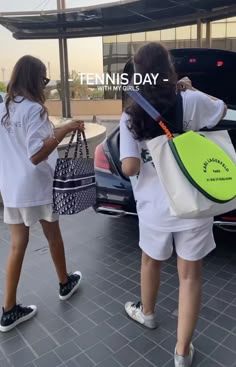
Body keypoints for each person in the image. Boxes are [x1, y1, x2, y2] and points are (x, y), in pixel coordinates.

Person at [120, 43, 227, 367]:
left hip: (155, 207)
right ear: (169, 71)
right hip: (193, 202)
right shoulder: (190, 100)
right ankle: (182, 351)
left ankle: (147, 313)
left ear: (140, 74)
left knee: (150, 261)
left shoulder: (131, 111)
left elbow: (129, 167)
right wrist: (193, 89)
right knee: (190, 275)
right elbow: (220, 109)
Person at [0, 55, 85, 332]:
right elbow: (36, 154)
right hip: (37, 186)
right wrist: (63, 131)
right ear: (34, 79)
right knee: (53, 237)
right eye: (44, 79)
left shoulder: (4, 105)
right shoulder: (34, 110)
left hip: (11, 187)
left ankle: (8, 310)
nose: (45, 84)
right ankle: (64, 283)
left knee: (16, 245)